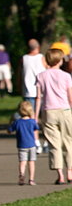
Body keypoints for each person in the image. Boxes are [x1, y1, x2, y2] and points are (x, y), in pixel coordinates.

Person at [35, 48, 72, 184]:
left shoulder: (41, 76)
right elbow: (70, 97)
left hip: (49, 112)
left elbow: (38, 97)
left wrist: (35, 115)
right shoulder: (66, 76)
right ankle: (70, 173)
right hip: (65, 110)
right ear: (59, 60)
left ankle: (60, 175)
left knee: (54, 144)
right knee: (68, 141)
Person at [8, 101, 40, 186]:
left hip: (21, 145)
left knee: (22, 162)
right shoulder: (32, 122)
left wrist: (10, 121)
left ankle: (22, 175)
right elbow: (36, 129)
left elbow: (9, 131)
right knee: (31, 162)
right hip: (32, 145)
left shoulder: (17, 122)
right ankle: (31, 179)